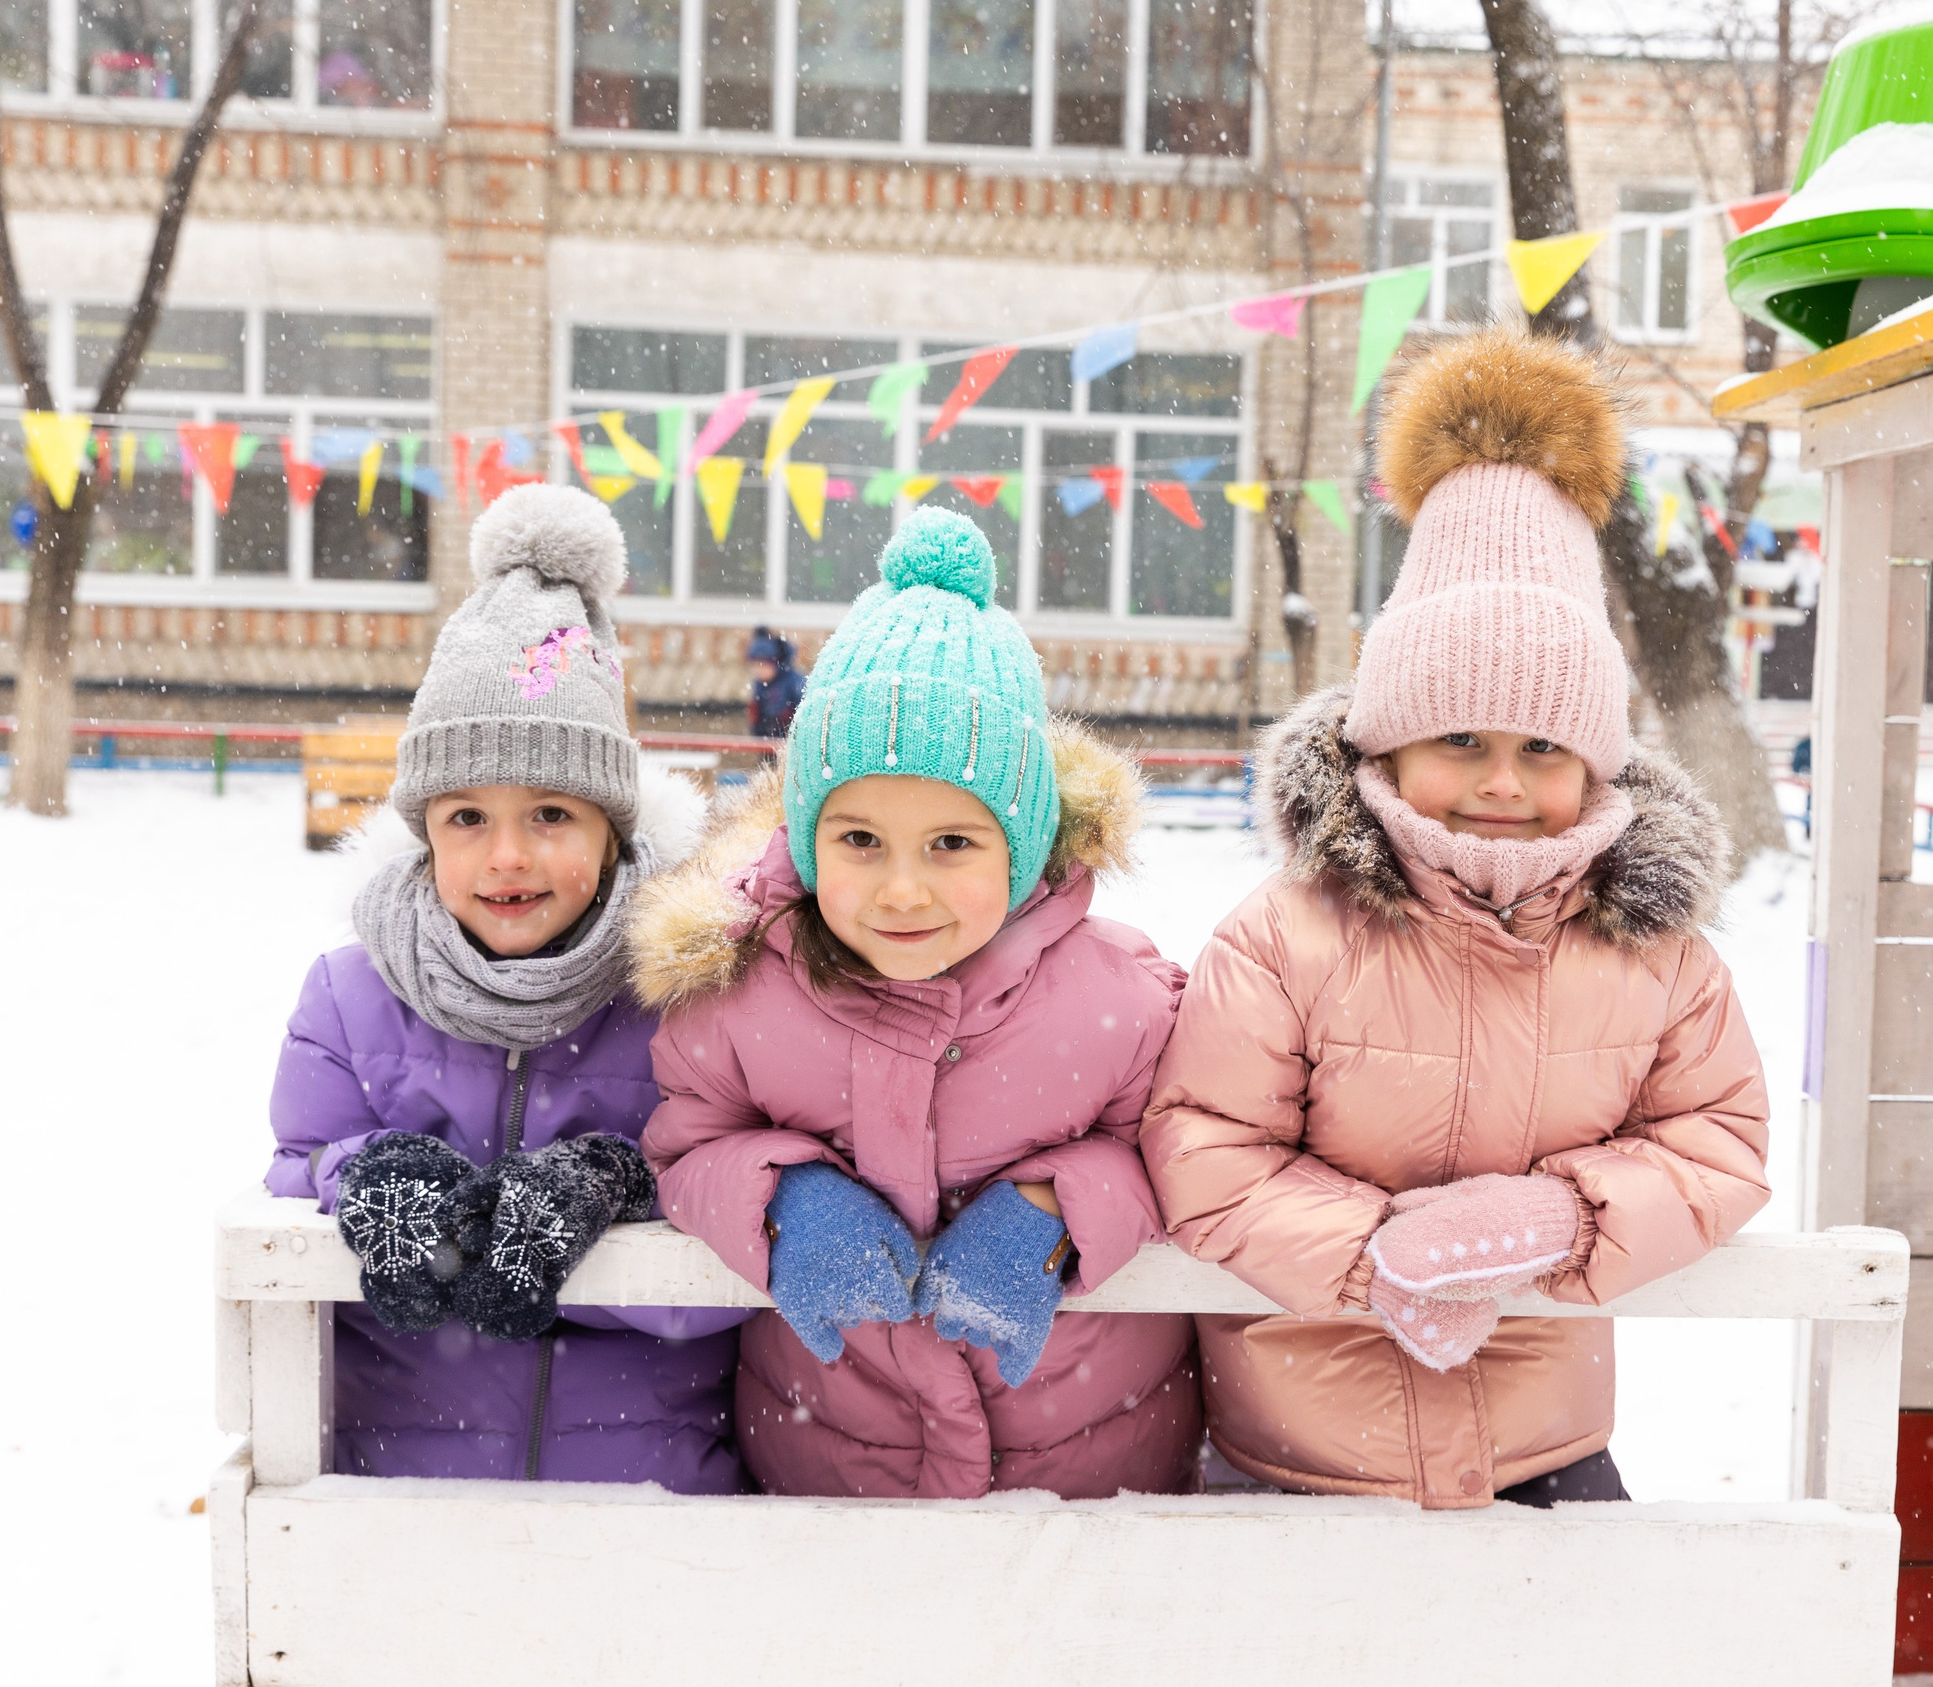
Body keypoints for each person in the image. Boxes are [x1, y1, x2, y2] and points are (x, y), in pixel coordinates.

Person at [1141, 327, 1773, 1510]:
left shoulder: (1652, 949)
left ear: (1594, 762)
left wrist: (1558, 1216)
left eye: (1543, 749)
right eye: (1461, 740)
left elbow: (1716, 1142)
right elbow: (1203, 1151)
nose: (1500, 783)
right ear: (1388, 741)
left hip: (1544, 1454)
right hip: (1295, 1456)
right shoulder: (1285, 937)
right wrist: (1373, 1254)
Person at [629, 507, 1198, 1499]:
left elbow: (1178, 1152)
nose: (901, 890)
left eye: (951, 844)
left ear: (1021, 846)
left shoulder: (1118, 997)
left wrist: (1058, 1206)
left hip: (1088, 1468)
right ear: (807, 837)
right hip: (833, 1462)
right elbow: (686, 1149)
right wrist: (780, 1197)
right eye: (859, 841)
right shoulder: (742, 996)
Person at [267, 483, 750, 1492]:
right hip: (404, 1485)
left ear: (612, 833)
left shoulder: (684, 998)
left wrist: (626, 1188)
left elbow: (739, 1244)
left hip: (649, 1490)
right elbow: (295, 1178)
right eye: (467, 818)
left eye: (552, 814)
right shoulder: (350, 999)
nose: (508, 856)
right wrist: (361, 1172)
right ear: (424, 834)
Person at [746, 626, 807, 739]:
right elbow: (757, 715)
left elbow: (804, 713)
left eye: (763, 665)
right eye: (755, 665)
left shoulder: (794, 682)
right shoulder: (760, 684)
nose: (758, 670)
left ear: (776, 662)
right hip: (767, 739)